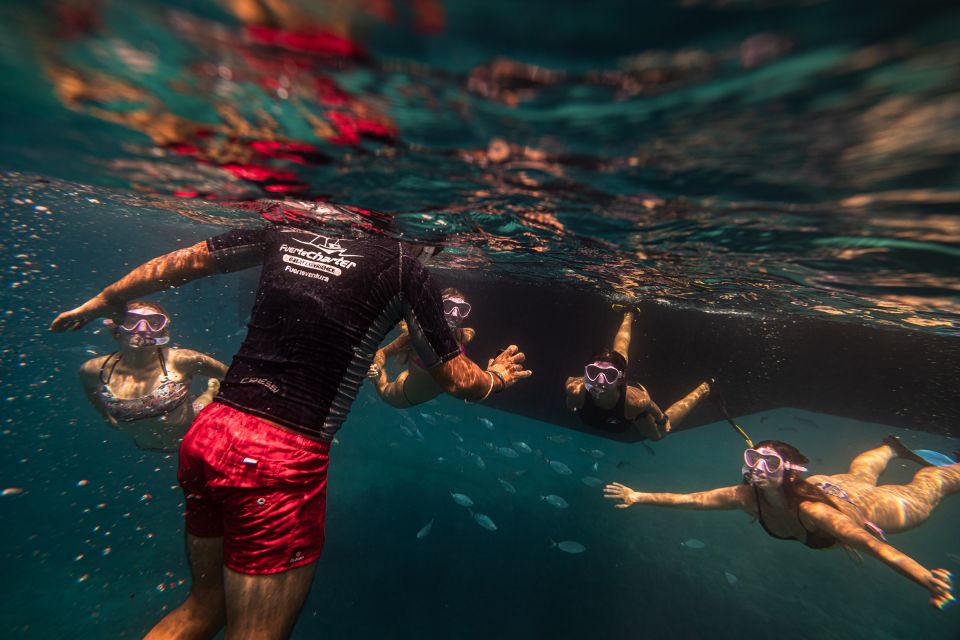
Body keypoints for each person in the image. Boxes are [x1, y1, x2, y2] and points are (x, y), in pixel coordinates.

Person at [51, 219, 531, 640]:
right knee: (255, 631)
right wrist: (496, 380)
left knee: (202, 607)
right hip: (277, 457)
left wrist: (108, 299)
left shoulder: (287, 230)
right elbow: (456, 379)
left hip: (211, 431)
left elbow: (187, 260)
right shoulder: (407, 268)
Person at [603, 437, 958, 608]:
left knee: (925, 493)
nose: (757, 467)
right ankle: (891, 447)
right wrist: (639, 496)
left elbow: (872, 545)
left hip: (865, 507)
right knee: (859, 473)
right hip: (827, 486)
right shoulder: (745, 496)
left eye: (769, 464)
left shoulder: (813, 512)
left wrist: (925, 578)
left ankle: (950, 469)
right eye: (753, 458)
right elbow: (692, 500)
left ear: (787, 474)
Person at [79, 301, 227, 451]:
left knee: (199, 407)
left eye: (154, 323)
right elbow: (90, 389)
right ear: (117, 328)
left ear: (163, 331)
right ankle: (211, 389)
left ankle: (211, 391)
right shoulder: (95, 369)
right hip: (144, 446)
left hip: (194, 439)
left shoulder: (183, 360)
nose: (142, 329)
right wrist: (105, 416)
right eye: (130, 321)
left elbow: (233, 375)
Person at [564, 308, 711, 439]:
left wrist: (662, 420)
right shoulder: (574, 389)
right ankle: (629, 313)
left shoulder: (635, 402)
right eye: (593, 372)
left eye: (609, 375)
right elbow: (571, 402)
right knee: (618, 356)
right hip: (612, 398)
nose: (599, 381)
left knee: (658, 436)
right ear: (586, 372)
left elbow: (650, 406)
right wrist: (572, 403)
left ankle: (704, 388)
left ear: (621, 379)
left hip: (629, 401)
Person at [367, 287, 475, 407]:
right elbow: (382, 353)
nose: (455, 314)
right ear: (436, 307)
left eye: (462, 309)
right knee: (383, 390)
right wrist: (377, 367)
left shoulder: (464, 335)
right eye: (448, 306)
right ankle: (403, 324)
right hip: (402, 395)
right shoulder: (413, 336)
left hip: (414, 379)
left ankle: (404, 325)